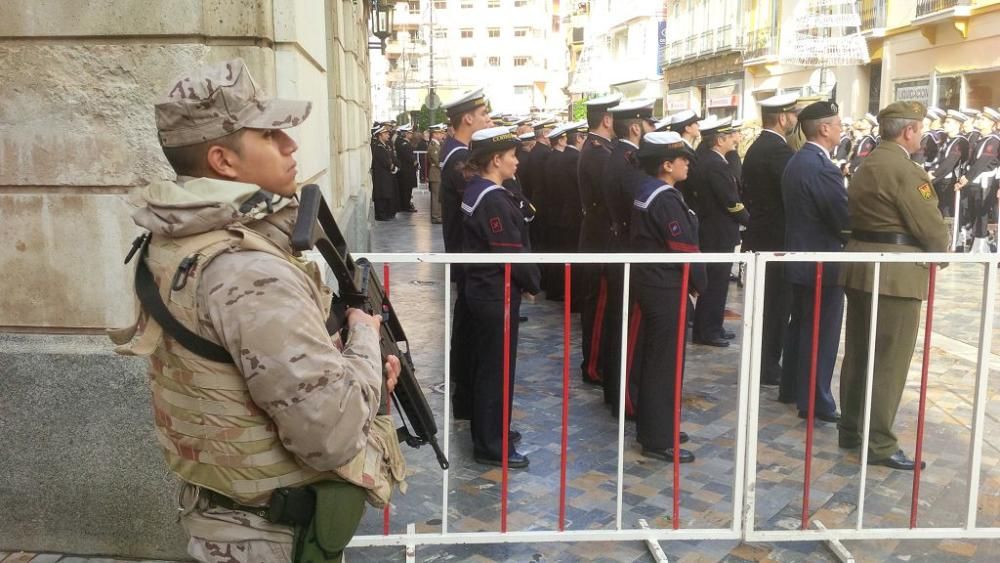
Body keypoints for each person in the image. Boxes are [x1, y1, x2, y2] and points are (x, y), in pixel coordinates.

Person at [111, 58, 404, 562]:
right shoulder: (248, 269)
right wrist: (362, 346)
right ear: (224, 161)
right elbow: (330, 436)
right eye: (271, 135)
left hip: (226, 517)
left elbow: (232, 357)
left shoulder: (173, 239)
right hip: (270, 536)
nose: (291, 145)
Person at [838, 101, 950, 470]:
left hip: (860, 267)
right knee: (888, 361)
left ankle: (852, 429)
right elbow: (930, 226)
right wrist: (941, 254)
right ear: (908, 131)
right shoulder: (907, 170)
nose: (919, 135)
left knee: (858, 353)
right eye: (919, 129)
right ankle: (880, 443)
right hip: (897, 274)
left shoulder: (865, 163)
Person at [461, 126, 541, 469]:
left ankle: (492, 430)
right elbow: (511, 250)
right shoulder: (492, 198)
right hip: (496, 293)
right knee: (496, 370)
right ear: (496, 159)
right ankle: (491, 444)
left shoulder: (482, 190)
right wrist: (533, 283)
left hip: (486, 291)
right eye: (512, 155)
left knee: (488, 366)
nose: (517, 162)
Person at [630, 131, 705, 464]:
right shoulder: (664, 197)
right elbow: (684, 246)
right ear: (665, 165)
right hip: (664, 286)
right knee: (664, 362)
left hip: (654, 283)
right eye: (682, 159)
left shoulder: (653, 191)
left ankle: (658, 426)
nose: (687, 163)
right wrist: (700, 283)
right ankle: (658, 438)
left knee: (658, 359)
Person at [781, 101, 850, 423]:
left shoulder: (799, 160)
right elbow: (842, 219)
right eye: (837, 124)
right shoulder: (822, 166)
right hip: (821, 261)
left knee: (802, 325)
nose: (841, 129)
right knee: (820, 333)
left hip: (801, 257)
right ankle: (815, 401)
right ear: (824, 128)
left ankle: (792, 388)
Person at [439, 88, 493, 419]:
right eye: (484, 114)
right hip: (467, 256)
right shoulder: (459, 159)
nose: (488, 119)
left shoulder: (460, 152)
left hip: (465, 256)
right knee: (471, 335)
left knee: (467, 331)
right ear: (468, 118)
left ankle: (465, 399)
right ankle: (468, 401)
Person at [601, 99, 655, 413]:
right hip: (628, 251)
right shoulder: (628, 160)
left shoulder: (617, 155)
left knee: (618, 327)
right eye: (650, 125)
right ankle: (628, 399)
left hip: (617, 245)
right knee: (628, 331)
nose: (652, 131)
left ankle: (616, 392)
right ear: (636, 127)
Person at [741, 93, 799, 388]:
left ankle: (761, 361)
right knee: (776, 306)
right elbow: (792, 193)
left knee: (764, 304)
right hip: (775, 238)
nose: (796, 119)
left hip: (760, 233)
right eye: (793, 114)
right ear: (782, 117)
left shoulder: (757, 147)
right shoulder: (778, 151)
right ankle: (767, 366)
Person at [688, 117, 749, 347]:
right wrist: (748, 220)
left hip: (715, 230)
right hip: (717, 231)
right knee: (715, 282)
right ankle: (707, 330)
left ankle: (714, 325)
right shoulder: (714, 165)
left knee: (718, 282)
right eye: (730, 136)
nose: (734, 140)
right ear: (719, 140)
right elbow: (730, 201)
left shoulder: (712, 161)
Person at [577, 92, 621, 385]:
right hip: (600, 238)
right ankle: (593, 365)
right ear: (606, 119)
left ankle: (599, 361)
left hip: (599, 235)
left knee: (601, 305)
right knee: (598, 306)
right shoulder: (598, 152)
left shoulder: (600, 149)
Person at [957, 108, 1000, 246]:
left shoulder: (993, 141)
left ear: (992, 123)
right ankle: (977, 243)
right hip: (975, 181)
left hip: (986, 182)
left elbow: (982, 162)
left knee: (983, 212)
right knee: (974, 211)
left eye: (983, 120)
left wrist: (967, 178)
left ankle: (981, 245)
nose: (979, 122)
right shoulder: (982, 139)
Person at [928, 110, 971, 219]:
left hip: (950, 181)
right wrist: (931, 171)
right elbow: (938, 159)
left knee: (947, 211)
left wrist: (934, 175)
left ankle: (952, 235)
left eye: (948, 122)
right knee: (938, 208)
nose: (944, 125)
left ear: (957, 125)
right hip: (940, 179)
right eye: (945, 122)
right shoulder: (947, 140)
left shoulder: (961, 141)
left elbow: (949, 163)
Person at [371, 122, 399, 221]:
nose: (388, 135)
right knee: (381, 194)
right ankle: (381, 215)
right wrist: (392, 167)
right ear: (380, 135)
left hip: (386, 175)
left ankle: (386, 213)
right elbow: (385, 161)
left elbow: (392, 157)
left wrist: (395, 166)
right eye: (386, 133)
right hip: (381, 175)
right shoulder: (378, 147)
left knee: (386, 193)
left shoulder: (386, 145)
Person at [395, 123, 418, 213]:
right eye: (409, 133)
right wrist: (415, 162)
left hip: (407, 169)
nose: (411, 135)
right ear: (404, 133)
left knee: (407, 188)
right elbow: (408, 156)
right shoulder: (403, 143)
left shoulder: (403, 142)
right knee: (406, 189)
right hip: (406, 169)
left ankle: (405, 204)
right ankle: (405, 205)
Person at [427, 124, 445, 224]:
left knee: (438, 196)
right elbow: (437, 161)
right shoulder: (433, 145)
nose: (441, 135)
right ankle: (435, 216)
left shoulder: (437, 144)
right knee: (436, 196)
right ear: (434, 134)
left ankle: (438, 215)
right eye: (439, 133)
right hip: (435, 174)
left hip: (438, 174)